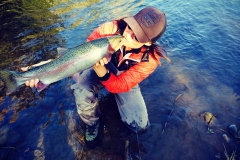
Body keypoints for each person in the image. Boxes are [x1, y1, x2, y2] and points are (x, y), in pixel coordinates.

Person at [22, 6, 169, 149]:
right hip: (97, 68)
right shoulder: (109, 29)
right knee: (81, 89)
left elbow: (121, 85)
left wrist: (102, 71)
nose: (127, 34)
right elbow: (77, 56)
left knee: (140, 126)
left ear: (148, 42)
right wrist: (43, 69)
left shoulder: (150, 60)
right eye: (131, 26)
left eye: (136, 35)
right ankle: (92, 123)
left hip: (123, 80)